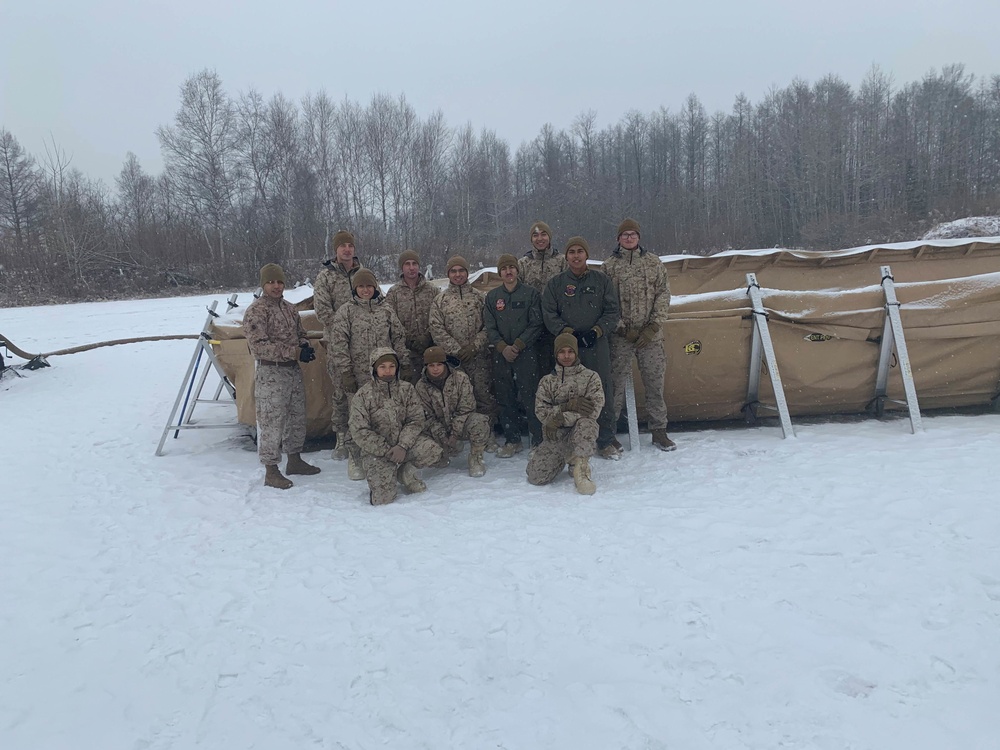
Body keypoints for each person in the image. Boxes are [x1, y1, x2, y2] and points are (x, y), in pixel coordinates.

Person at [541, 236, 622, 460]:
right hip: (567, 347)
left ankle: (605, 439)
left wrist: (596, 331)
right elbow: (548, 313)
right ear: (566, 256)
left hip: (596, 343)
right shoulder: (556, 284)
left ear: (587, 254)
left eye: (580, 251)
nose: (576, 256)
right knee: (566, 391)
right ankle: (569, 439)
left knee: (601, 389)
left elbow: (612, 311)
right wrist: (568, 333)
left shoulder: (601, 281)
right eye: (571, 252)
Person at [243, 263, 321, 489]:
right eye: (271, 282)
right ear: (263, 284)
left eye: (279, 282)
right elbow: (259, 346)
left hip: (292, 371)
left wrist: (304, 346)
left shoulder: (289, 308)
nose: (276, 286)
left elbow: (300, 333)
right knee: (271, 421)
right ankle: (271, 470)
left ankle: (294, 459)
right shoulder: (256, 311)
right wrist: (293, 351)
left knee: (296, 417)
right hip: (271, 372)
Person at [603, 218, 676, 451]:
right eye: (624, 235)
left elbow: (663, 295)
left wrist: (653, 326)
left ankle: (659, 431)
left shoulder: (654, 263)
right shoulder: (609, 266)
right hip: (621, 336)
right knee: (614, 386)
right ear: (618, 239)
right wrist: (622, 327)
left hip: (650, 337)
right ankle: (609, 433)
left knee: (655, 383)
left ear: (639, 237)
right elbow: (605, 302)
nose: (629, 238)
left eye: (633, 234)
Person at [329, 268, 409, 479]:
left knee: (386, 415)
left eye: (369, 286)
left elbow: (398, 338)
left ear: (375, 287)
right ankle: (355, 457)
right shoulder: (346, 311)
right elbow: (338, 344)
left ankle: (387, 455)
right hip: (357, 374)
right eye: (361, 286)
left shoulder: (386, 310)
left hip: (385, 375)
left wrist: (403, 363)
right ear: (355, 288)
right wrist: (346, 372)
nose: (365, 290)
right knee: (357, 417)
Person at [349, 348, 444, 505]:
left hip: (404, 447)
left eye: (391, 366)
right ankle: (387, 474)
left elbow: (416, 419)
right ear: (374, 369)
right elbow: (359, 431)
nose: (388, 371)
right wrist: (386, 450)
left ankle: (405, 472)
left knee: (433, 450)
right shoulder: (363, 395)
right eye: (382, 367)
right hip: (378, 452)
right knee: (382, 500)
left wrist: (402, 445)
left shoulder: (407, 389)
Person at [428, 255, 497, 439]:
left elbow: (489, 326)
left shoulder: (479, 297)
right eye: (453, 271)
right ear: (448, 274)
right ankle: (459, 434)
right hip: (454, 361)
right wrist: (456, 350)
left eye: (461, 271)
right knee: (457, 398)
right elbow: (436, 328)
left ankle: (486, 433)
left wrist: (474, 346)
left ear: (467, 273)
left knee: (483, 395)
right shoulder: (440, 300)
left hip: (479, 357)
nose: (457, 275)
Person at [526, 333, 604, 495]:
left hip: (579, 433)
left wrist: (561, 418)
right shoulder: (547, 381)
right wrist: (565, 407)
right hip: (556, 435)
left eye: (570, 351)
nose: (566, 356)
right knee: (536, 477)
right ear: (556, 354)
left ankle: (581, 467)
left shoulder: (591, 377)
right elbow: (541, 411)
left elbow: (593, 411)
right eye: (562, 352)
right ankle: (568, 457)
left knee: (587, 424)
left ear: (576, 353)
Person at [484, 253, 543, 455]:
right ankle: (512, 440)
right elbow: (489, 327)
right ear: (500, 273)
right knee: (505, 397)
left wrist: (518, 345)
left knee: (531, 396)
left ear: (517, 270)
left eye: (512, 267)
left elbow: (536, 323)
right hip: (502, 356)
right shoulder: (493, 297)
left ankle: (538, 440)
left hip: (526, 354)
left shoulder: (530, 294)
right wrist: (502, 347)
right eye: (504, 268)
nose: (508, 272)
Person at [313, 230, 363, 460]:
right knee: (341, 389)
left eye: (350, 245)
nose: (347, 249)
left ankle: (361, 434)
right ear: (335, 250)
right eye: (342, 245)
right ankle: (341, 436)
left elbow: (375, 299)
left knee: (362, 389)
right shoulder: (326, 276)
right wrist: (344, 328)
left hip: (363, 343)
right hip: (337, 342)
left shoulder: (362, 273)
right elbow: (322, 309)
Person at [415, 346, 491, 477]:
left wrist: (454, 434)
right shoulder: (421, 386)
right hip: (438, 428)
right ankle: (440, 453)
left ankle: (476, 457)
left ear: (445, 364)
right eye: (431, 365)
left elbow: (467, 408)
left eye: (439, 364)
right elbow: (426, 416)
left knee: (479, 422)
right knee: (423, 439)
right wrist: (442, 435)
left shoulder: (460, 378)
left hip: (460, 423)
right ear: (426, 366)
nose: (435, 368)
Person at [384, 249, 440, 384]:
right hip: (405, 353)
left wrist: (427, 336)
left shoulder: (432, 290)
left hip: (431, 351)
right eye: (407, 264)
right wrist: (408, 338)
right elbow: (390, 321)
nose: (411, 268)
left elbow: (439, 317)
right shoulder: (394, 293)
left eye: (414, 263)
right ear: (402, 267)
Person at [518, 220, 566, 375]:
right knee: (536, 369)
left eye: (543, 234)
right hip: (532, 325)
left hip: (557, 323)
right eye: (535, 235)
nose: (540, 238)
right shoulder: (523, 264)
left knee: (560, 367)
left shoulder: (562, 261)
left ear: (549, 237)